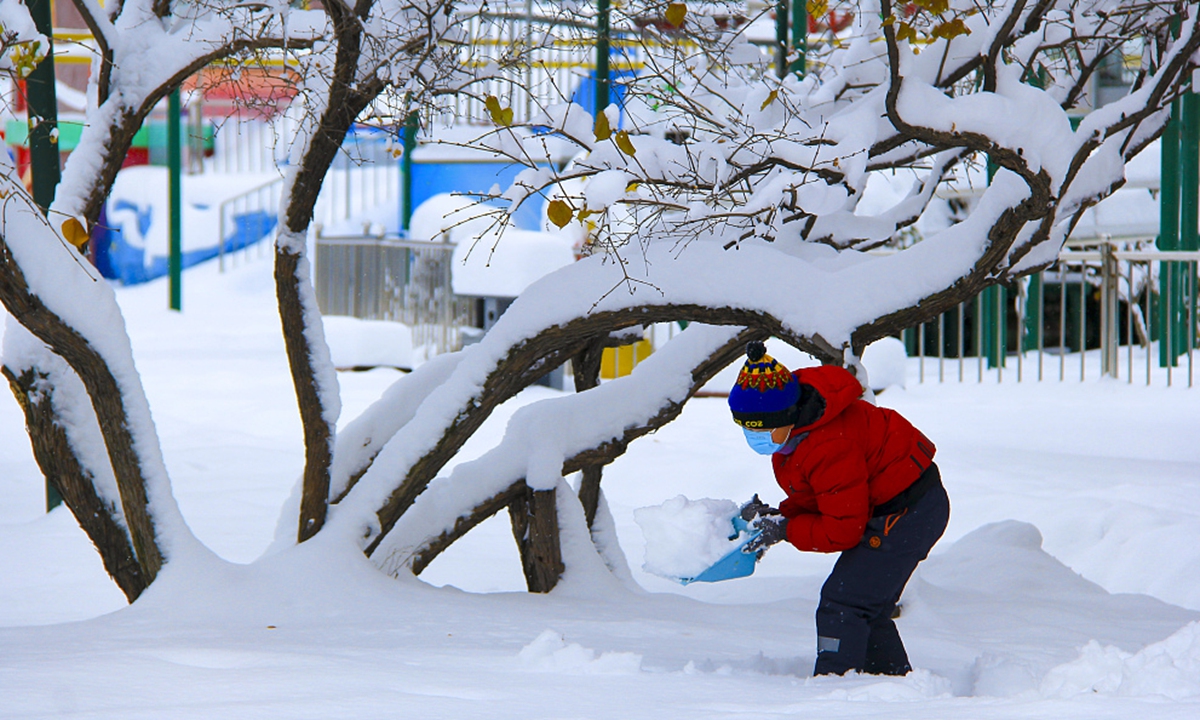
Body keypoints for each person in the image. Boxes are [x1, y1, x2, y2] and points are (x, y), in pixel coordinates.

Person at [727, 340, 949, 677]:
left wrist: (786, 530)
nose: (754, 437)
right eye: (746, 429)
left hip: (907, 513)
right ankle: (889, 684)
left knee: (844, 603)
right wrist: (781, 517)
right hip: (898, 505)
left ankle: (832, 690)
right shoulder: (797, 433)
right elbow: (824, 494)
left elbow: (843, 528)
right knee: (865, 605)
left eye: (762, 429)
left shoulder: (828, 444)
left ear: (787, 416)